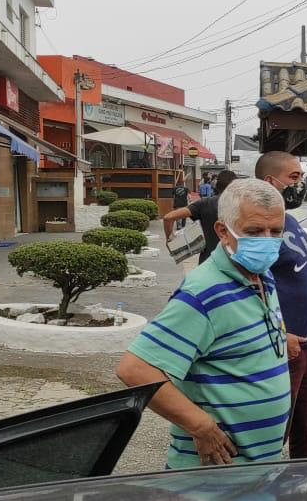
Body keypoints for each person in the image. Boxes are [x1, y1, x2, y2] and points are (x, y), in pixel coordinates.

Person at [115, 179, 291, 468]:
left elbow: (228, 336)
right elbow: (134, 369)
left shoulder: (260, 275)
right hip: (213, 479)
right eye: (254, 231)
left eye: (276, 231)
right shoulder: (203, 292)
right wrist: (200, 425)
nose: (267, 241)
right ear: (223, 231)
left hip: (255, 471)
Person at [257, 151, 307, 458]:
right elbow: (251, 285)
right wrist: (279, 333)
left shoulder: (291, 221)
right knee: (276, 430)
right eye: (294, 178)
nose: (300, 185)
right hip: (287, 345)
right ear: (270, 182)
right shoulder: (259, 227)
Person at [163, 170, 236, 264]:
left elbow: (168, 217)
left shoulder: (204, 203)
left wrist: (169, 239)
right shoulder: (243, 206)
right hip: (235, 264)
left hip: (208, 263)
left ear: (216, 185)